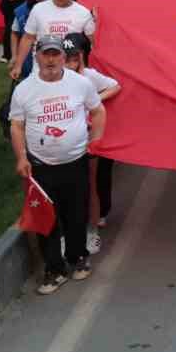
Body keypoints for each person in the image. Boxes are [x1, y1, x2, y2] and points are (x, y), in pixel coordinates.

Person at [9, 35, 105, 294]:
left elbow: (98, 111)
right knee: (46, 219)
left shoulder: (81, 84)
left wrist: (95, 141)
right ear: (37, 56)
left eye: (56, 54)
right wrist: (21, 158)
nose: (50, 60)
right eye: (45, 54)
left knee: (76, 214)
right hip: (41, 165)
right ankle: (54, 269)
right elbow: (16, 126)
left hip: (75, 162)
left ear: (63, 57)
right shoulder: (24, 90)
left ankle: (78, 257)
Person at [62, 33, 120, 252]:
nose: (70, 63)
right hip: (62, 143)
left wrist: (97, 100)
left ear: (82, 57)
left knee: (91, 183)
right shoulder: (54, 78)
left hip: (86, 140)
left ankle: (92, 230)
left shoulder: (89, 77)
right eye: (66, 58)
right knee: (68, 189)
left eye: (74, 58)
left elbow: (115, 86)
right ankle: (68, 233)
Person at [11, 0, 94, 80]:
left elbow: (93, 42)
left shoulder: (83, 13)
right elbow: (28, 38)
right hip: (41, 69)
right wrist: (18, 65)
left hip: (71, 71)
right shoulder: (38, 9)